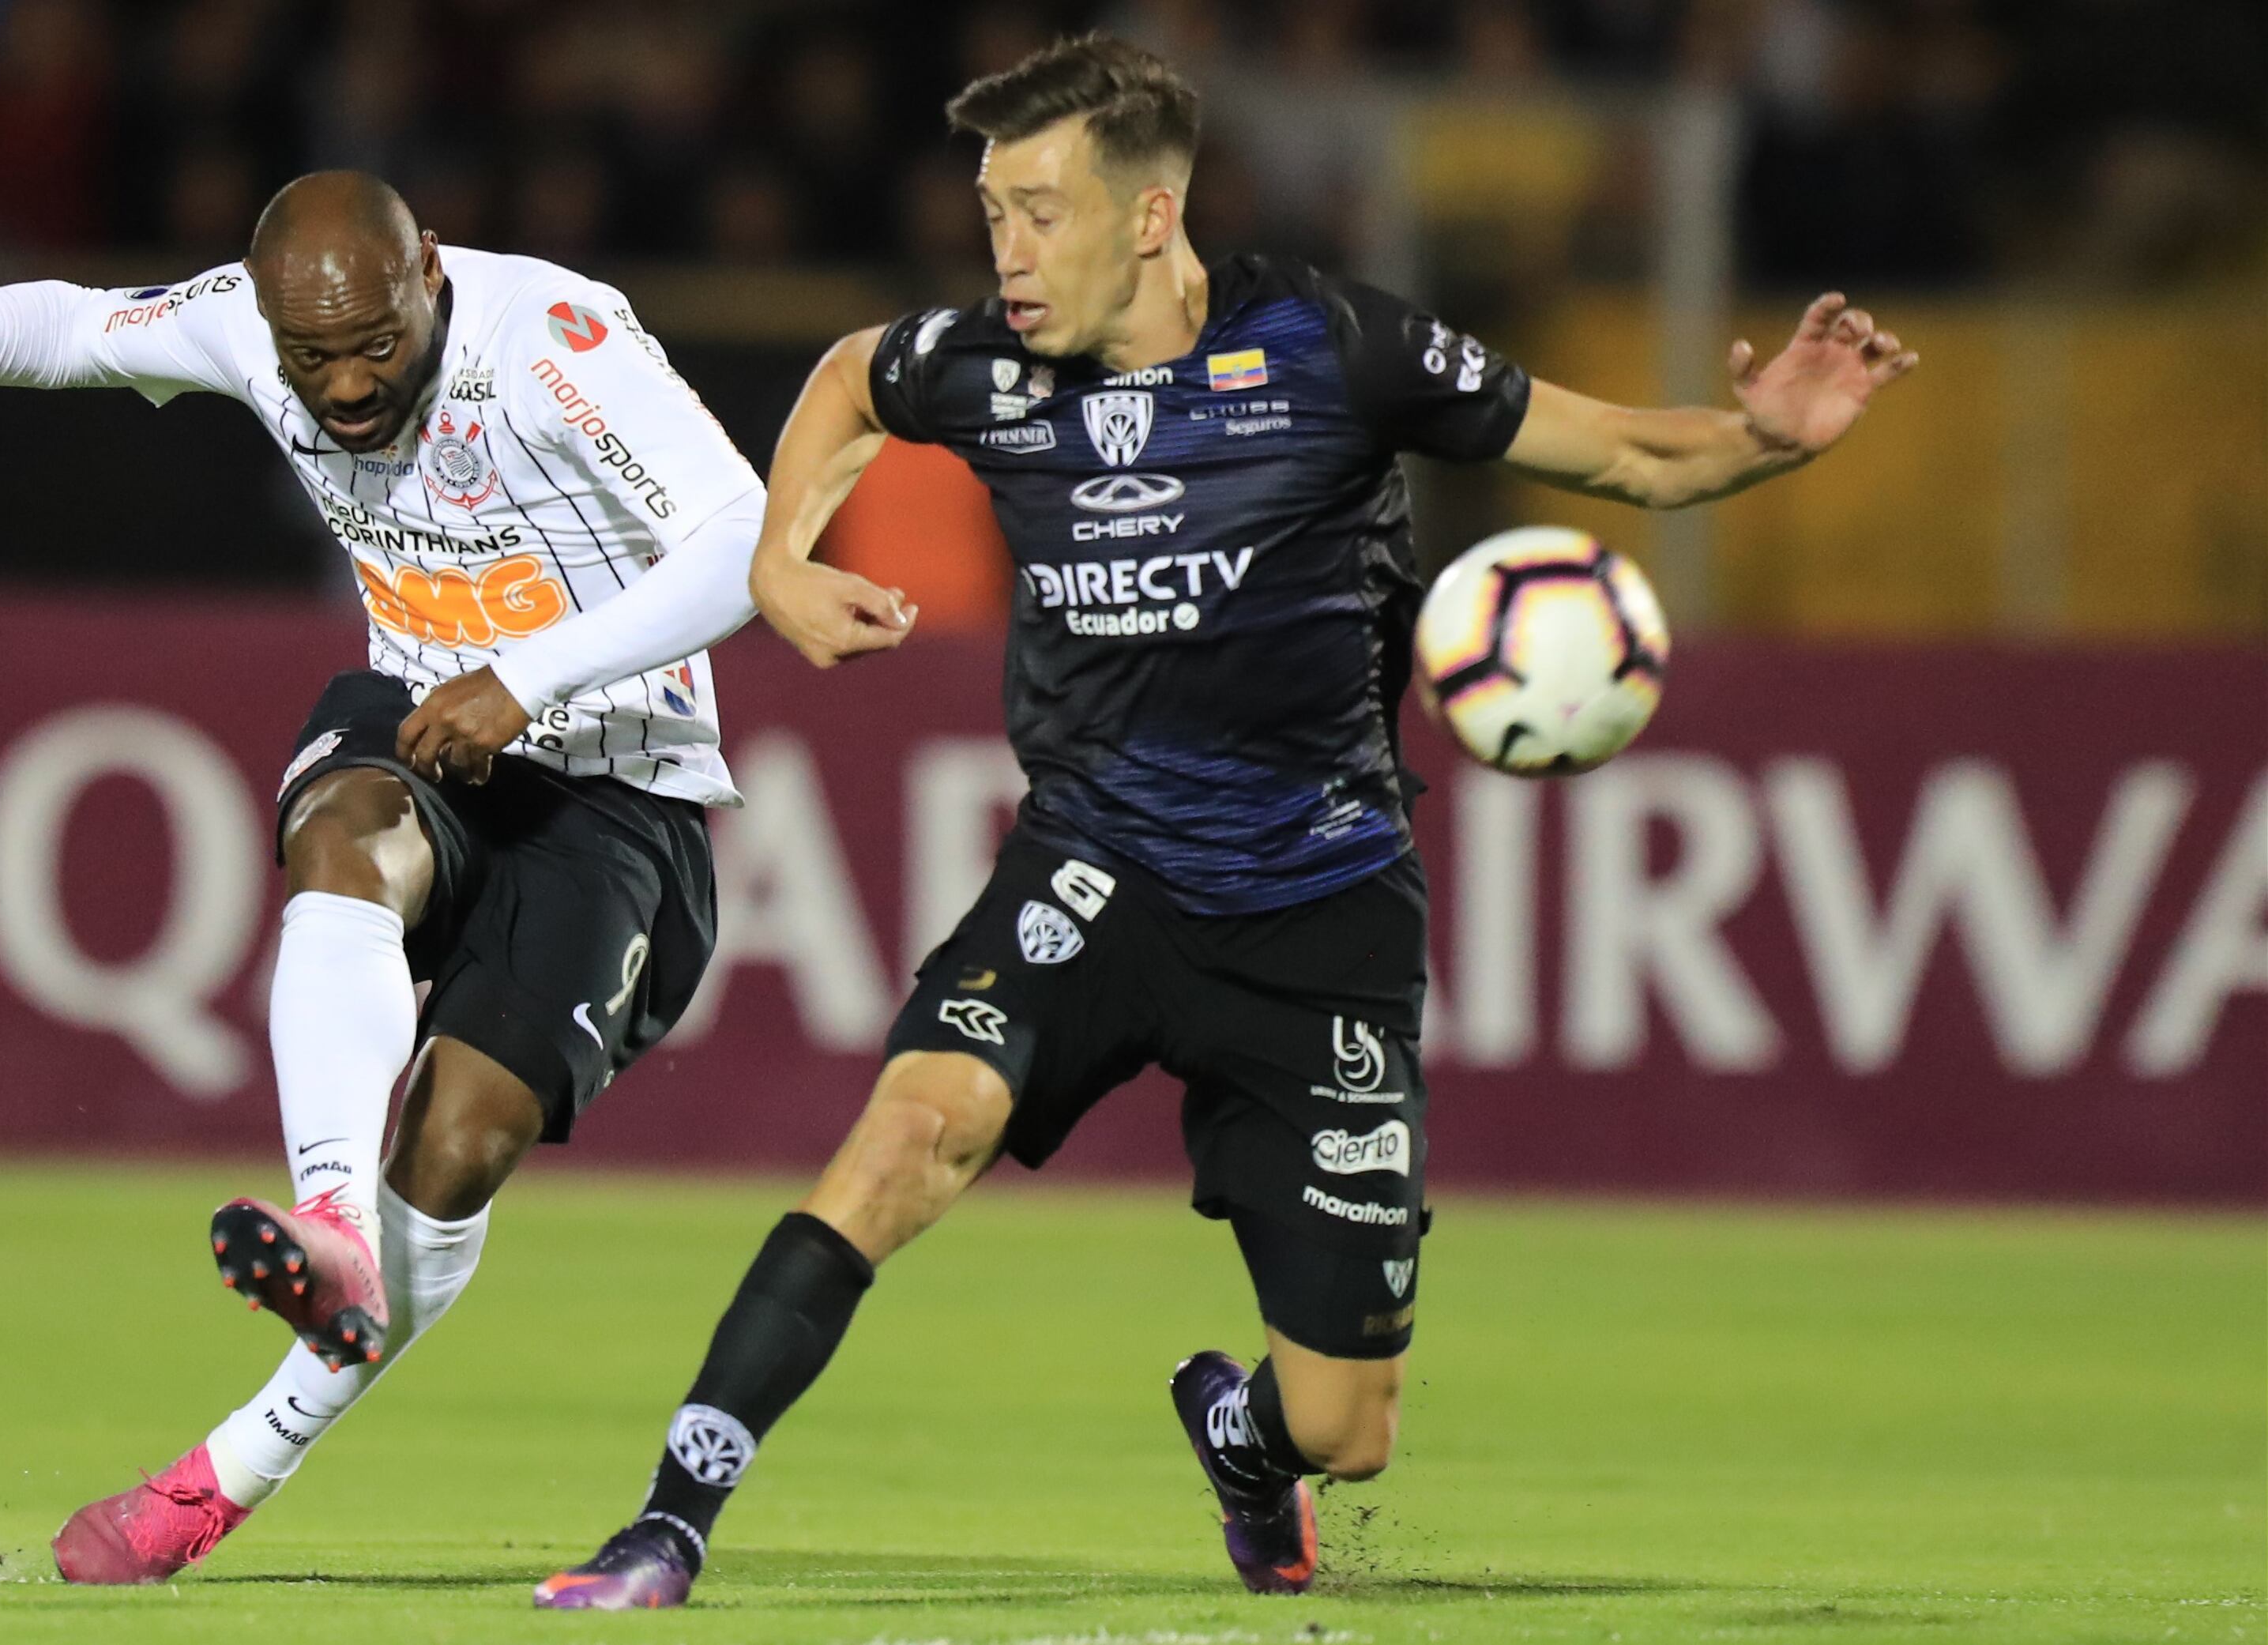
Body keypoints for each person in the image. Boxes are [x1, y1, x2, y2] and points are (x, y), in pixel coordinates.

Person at [538, 34, 1915, 1610]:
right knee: (912, 1135)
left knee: (1347, 1427)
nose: (1006, 252)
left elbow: (1618, 451)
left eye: (1040, 213)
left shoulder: (1334, 348)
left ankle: (1247, 1440)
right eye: (991, 215)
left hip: (1319, 913)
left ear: (1149, 217)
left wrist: (1766, 436)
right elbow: (852, 373)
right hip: (1093, 869)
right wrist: (780, 555)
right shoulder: (983, 367)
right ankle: (668, 1522)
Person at [0, 171, 765, 1584]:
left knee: (462, 1144)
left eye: (377, 346)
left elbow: (746, 539)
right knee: (346, 830)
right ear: (269, 320)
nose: (346, 387)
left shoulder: (553, 340)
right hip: (422, 722)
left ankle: (225, 1471)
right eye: (312, 358)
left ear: (427, 268)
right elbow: (85, 330)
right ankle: (330, 1217)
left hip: (619, 783)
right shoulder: (248, 318)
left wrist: (529, 678)